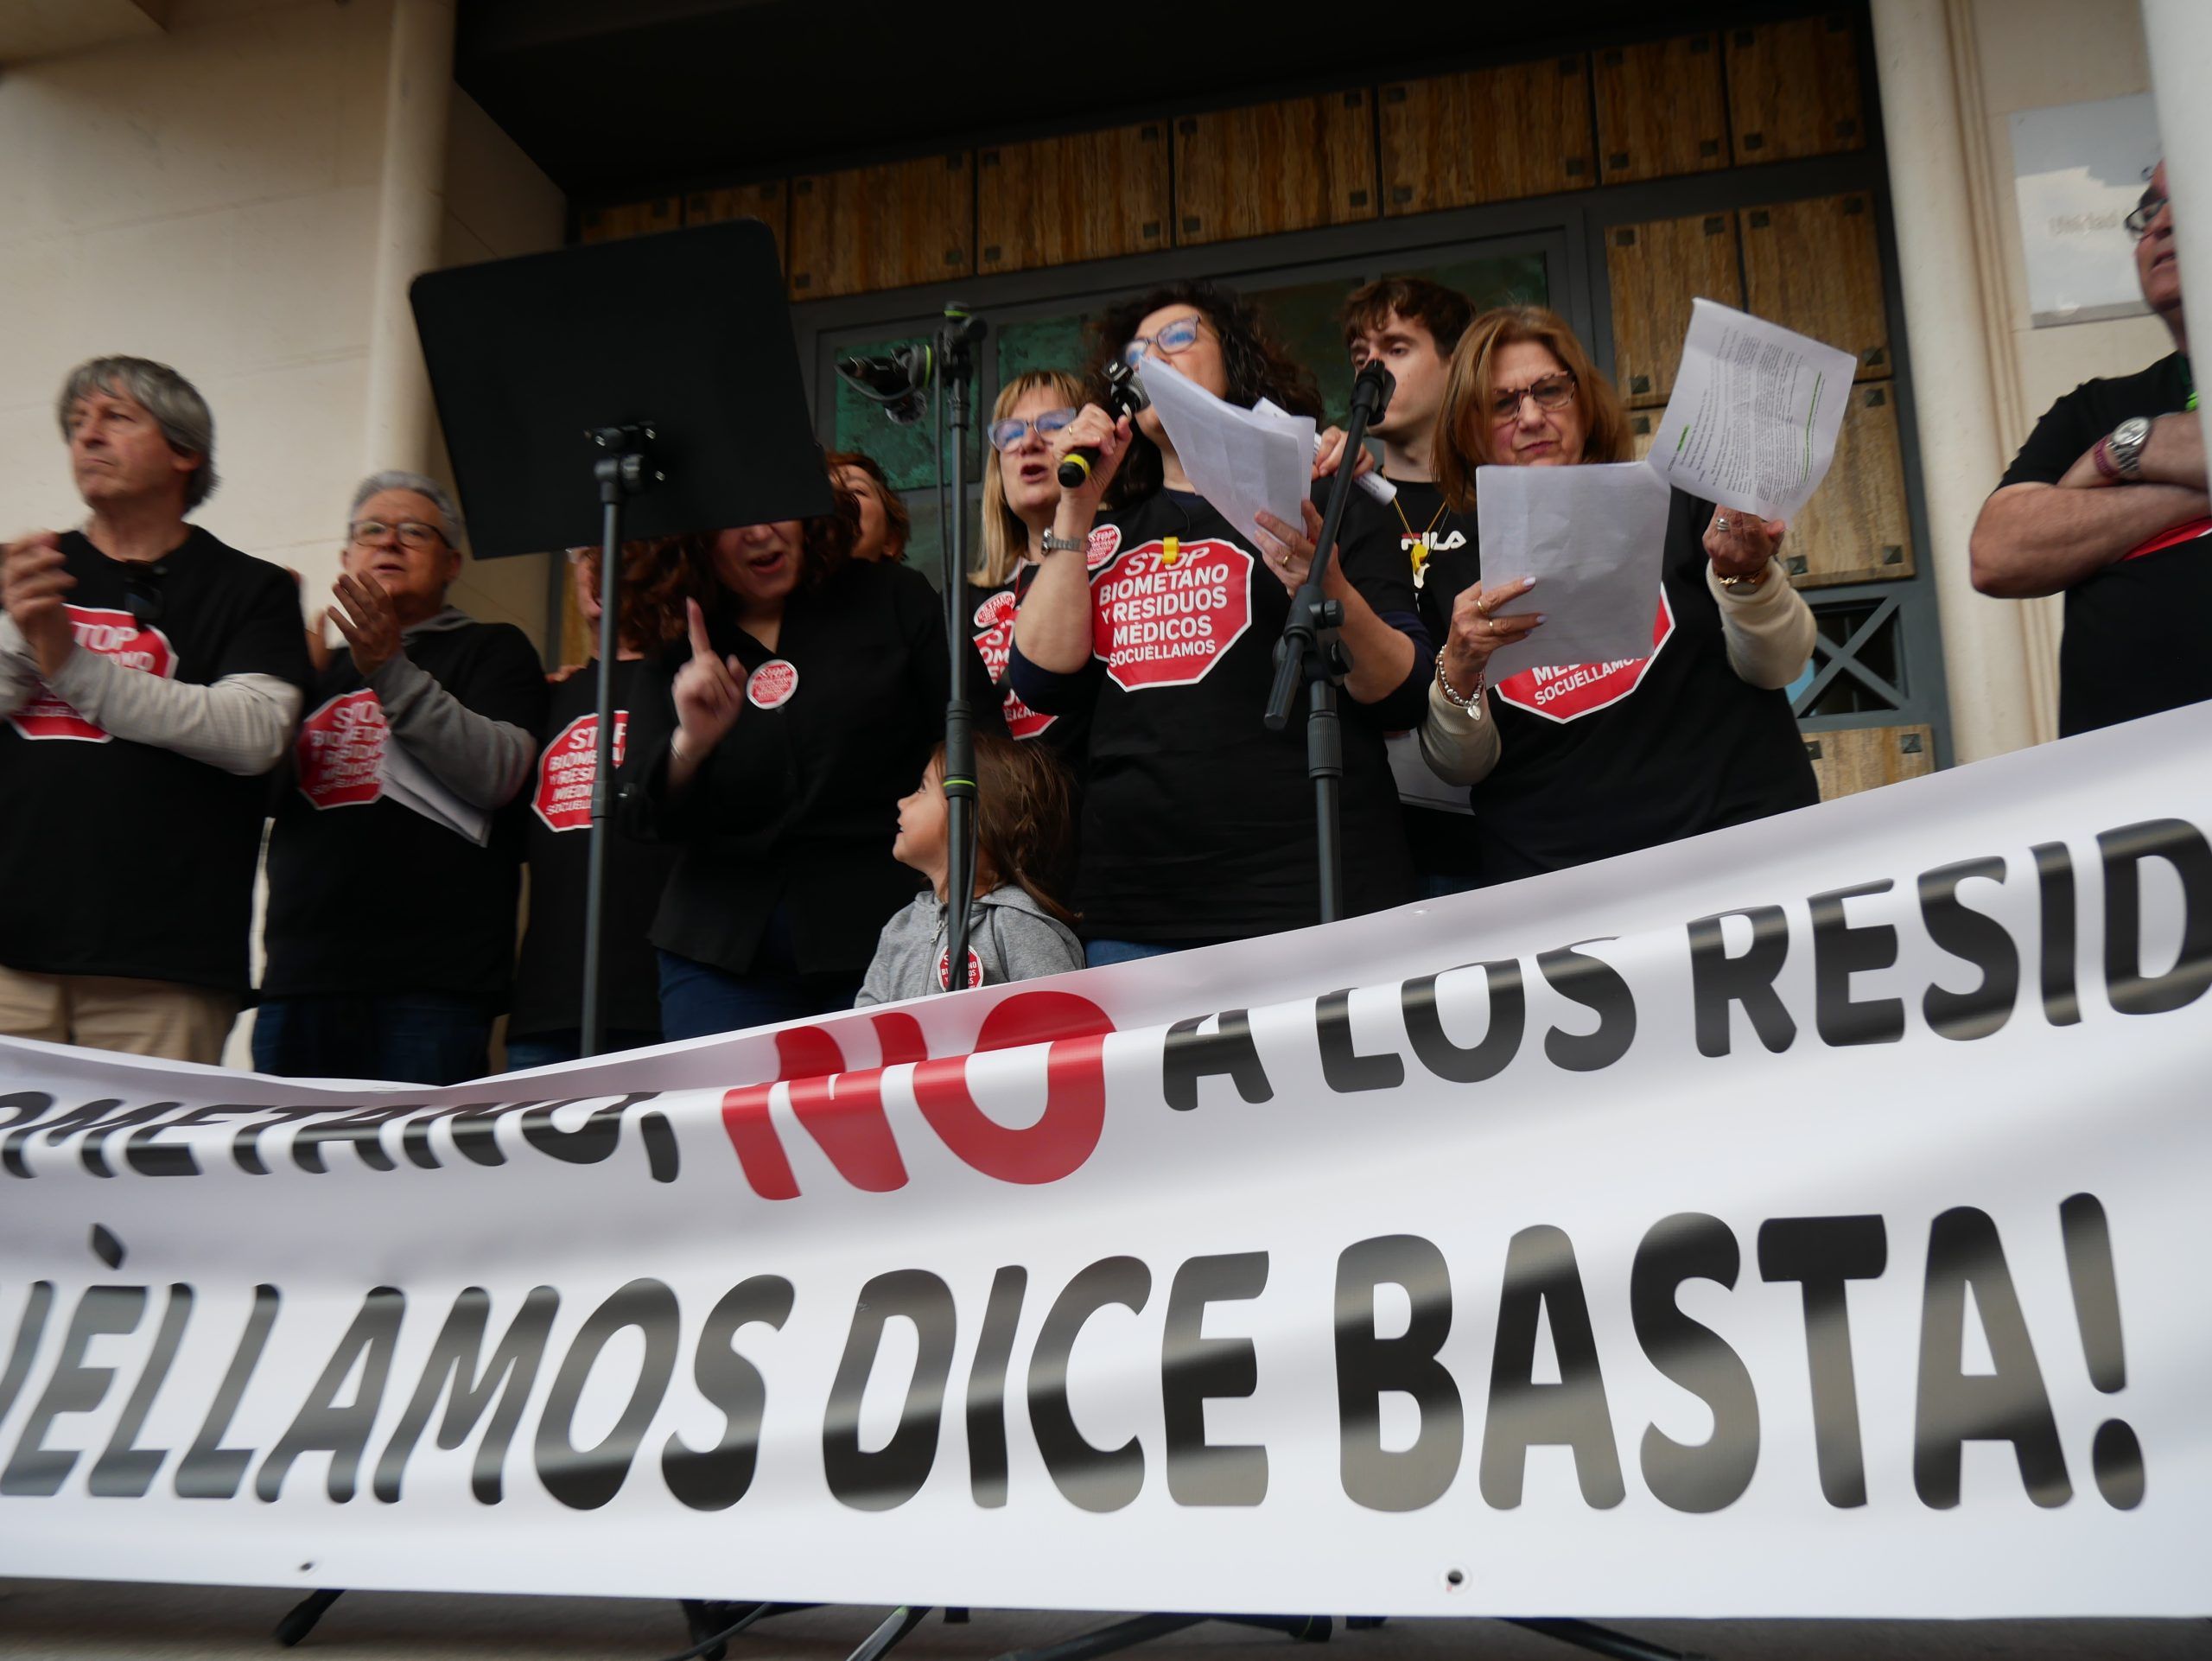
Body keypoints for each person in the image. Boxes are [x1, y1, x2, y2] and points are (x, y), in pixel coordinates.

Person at [1008, 281, 1431, 962]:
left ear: (1234, 357)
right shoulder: (1103, 531)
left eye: (1179, 338)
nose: (1155, 358)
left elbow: (1406, 693)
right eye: (1138, 353)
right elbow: (1039, 682)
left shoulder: (1323, 497)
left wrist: (1327, 585)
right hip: (1141, 909)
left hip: (1318, 889)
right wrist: (1078, 510)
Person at [1418, 305, 1819, 883]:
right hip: (1567, 894)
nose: (1530, 416)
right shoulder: (1453, 573)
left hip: (1741, 857)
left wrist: (1748, 577)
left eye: (1549, 391)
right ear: (1469, 427)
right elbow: (1460, 765)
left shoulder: (1682, 503)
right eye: (1502, 403)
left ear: (1582, 401)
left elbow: (1782, 664)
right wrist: (1458, 668)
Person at [622, 460, 1004, 1039]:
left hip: (888, 930)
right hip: (721, 951)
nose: (758, 532)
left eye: (774, 506)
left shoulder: (893, 598)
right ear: (697, 540)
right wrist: (690, 744)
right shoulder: (678, 639)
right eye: (732, 521)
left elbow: (981, 741)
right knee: (726, 1127)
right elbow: (641, 815)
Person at [0, 356, 312, 1064]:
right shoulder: (27, 570)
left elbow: (253, 734)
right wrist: (19, 631)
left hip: (164, 965)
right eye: (77, 423)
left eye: (115, 417)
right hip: (10, 956)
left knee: (143, 1175)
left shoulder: (250, 588)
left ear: (183, 451)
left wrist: (70, 661)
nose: (87, 437)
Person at [256, 471, 547, 1085]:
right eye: (372, 532)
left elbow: (498, 775)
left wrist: (387, 667)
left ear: (451, 564)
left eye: (414, 532)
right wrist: (282, 692)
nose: (389, 544)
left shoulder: (492, 648)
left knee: (412, 1176)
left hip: (432, 985)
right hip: (300, 976)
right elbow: (260, 798)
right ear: (346, 558)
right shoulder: (316, 665)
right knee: (284, 1177)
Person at [1972, 161, 2207, 736]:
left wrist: (2122, 460)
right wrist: (2163, 460)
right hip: (2134, 800)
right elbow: (1998, 553)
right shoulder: (2094, 407)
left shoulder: (2112, 434)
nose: (2159, 225)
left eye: (2190, 198)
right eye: (2149, 210)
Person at [506, 540, 694, 1069]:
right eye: (584, 554)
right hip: (548, 1004)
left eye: (618, 549)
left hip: (661, 1000)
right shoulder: (546, 696)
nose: (598, 565)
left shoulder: (690, 682)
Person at [1341, 275, 1485, 895]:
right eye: (1359, 356)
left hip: (1494, 820)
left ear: (1456, 364)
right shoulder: (1337, 507)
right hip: (1372, 833)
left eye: (1396, 348)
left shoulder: (1500, 495)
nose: (1373, 367)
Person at [857, 734, 1084, 1004]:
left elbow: (1061, 1018)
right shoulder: (900, 928)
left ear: (974, 819)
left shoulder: (1017, 924)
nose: (902, 802)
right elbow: (868, 1025)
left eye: (922, 788)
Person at [970, 370, 1093, 754]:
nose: (1028, 442)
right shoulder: (963, 602)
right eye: (1009, 433)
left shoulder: (1126, 561)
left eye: (1054, 425)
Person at [830, 451, 910, 563]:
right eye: (827, 491)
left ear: (889, 540)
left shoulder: (907, 579)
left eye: (857, 490)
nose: (837, 495)